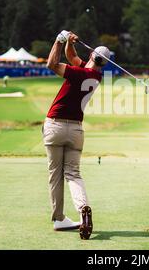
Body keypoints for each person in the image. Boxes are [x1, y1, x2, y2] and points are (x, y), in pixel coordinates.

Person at [43, 30, 109, 240]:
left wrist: (58, 40)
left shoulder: (77, 73)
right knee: (73, 173)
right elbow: (72, 57)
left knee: (55, 174)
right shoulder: (95, 76)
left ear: (91, 56)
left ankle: (59, 218)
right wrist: (70, 43)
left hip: (55, 126)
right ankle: (84, 209)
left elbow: (52, 64)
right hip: (76, 131)